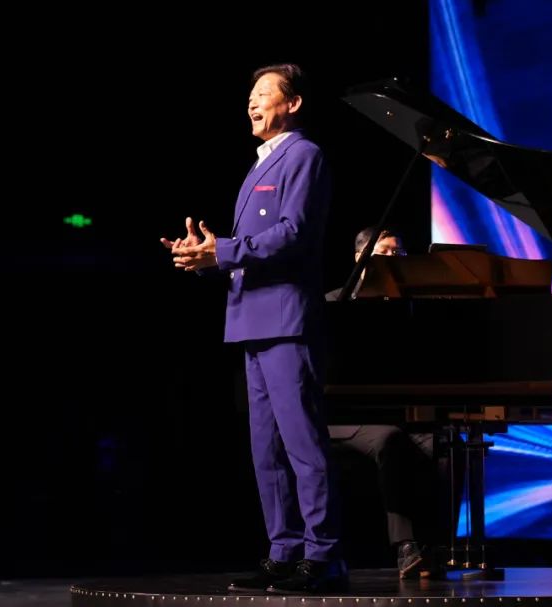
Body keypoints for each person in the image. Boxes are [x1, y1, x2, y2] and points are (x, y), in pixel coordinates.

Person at [161, 63, 345, 594]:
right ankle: (283, 551)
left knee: (302, 444)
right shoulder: (260, 163)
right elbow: (247, 248)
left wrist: (222, 250)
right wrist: (204, 255)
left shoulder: (303, 155)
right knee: (265, 449)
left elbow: (293, 234)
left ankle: (324, 555)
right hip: (250, 319)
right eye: (250, 94)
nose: (252, 101)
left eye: (264, 93)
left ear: (294, 103)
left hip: (285, 319)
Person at [325, 227, 434, 578]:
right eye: (382, 252)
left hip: (393, 412)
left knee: (444, 445)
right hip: (340, 416)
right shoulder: (333, 305)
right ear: (360, 258)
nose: (391, 259)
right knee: (391, 438)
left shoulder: (410, 309)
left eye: (396, 253)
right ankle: (406, 546)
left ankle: (438, 546)